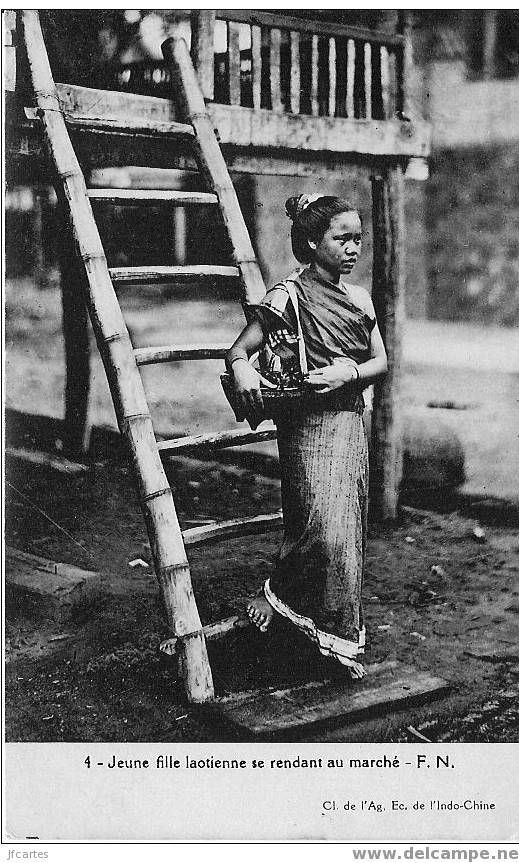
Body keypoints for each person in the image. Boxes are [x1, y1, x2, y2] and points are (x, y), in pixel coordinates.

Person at [225, 194, 388, 679]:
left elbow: (382, 361)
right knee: (315, 525)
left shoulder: (359, 299)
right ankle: (276, 597)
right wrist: (243, 371)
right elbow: (239, 349)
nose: (353, 248)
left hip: (347, 420)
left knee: (345, 533)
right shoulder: (287, 296)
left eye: (358, 238)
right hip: (305, 425)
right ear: (313, 241)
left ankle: (332, 640)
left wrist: (350, 375)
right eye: (342, 238)